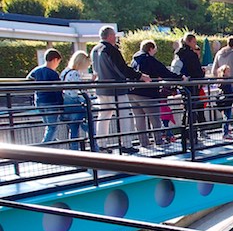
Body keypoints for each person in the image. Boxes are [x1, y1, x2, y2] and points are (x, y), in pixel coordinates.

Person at [90, 26, 150, 154]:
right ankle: (126, 144)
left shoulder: (95, 50)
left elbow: (95, 70)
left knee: (104, 115)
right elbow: (122, 68)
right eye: (114, 35)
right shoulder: (111, 50)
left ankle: (101, 144)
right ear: (110, 36)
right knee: (124, 115)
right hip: (116, 89)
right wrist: (140, 76)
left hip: (101, 89)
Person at [130, 40, 184, 147]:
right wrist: (179, 77)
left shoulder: (134, 60)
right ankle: (158, 141)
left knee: (139, 118)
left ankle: (144, 142)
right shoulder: (149, 59)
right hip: (147, 93)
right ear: (150, 49)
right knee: (155, 118)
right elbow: (164, 72)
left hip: (133, 92)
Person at [27, 48, 64, 144]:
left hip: (39, 101)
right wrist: (61, 105)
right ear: (55, 60)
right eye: (58, 62)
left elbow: (28, 79)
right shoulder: (53, 74)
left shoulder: (37, 70)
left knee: (48, 124)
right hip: (51, 102)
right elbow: (58, 90)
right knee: (52, 126)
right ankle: (45, 145)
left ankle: (52, 140)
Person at [174, 33, 207, 137]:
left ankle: (185, 133)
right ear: (188, 41)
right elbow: (197, 72)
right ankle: (192, 134)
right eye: (194, 42)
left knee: (186, 109)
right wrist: (201, 75)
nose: (195, 44)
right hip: (192, 86)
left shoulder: (179, 53)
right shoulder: (191, 55)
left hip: (183, 85)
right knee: (192, 110)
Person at [60, 51, 91, 150]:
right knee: (89, 126)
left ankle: (74, 150)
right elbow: (80, 89)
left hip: (67, 102)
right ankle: (94, 146)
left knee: (73, 129)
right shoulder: (75, 74)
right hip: (75, 103)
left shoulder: (65, 72)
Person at [214, 65, 233, 140]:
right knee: (227, 117)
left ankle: (226, 131)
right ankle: (225, 133)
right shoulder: (226, 81)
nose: (229, 73)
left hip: (225, 101)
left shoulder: (221, 81)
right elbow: (228, 91)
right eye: (228, 71)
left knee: (226, 116)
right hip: (227, 101)